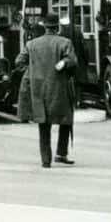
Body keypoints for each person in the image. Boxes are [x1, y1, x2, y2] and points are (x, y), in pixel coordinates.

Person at [16, 13, 78, 168]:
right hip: (60, 88)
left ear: (44, 27)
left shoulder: (32, 44)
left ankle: (46, 160)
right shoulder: (65, 42)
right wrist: (63, 63)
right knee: (66, 119)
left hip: (38, 89)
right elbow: (72, 62)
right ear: (57, 27)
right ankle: (61, 153)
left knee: (43, 124)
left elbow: (19, 61)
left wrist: (31, 71)